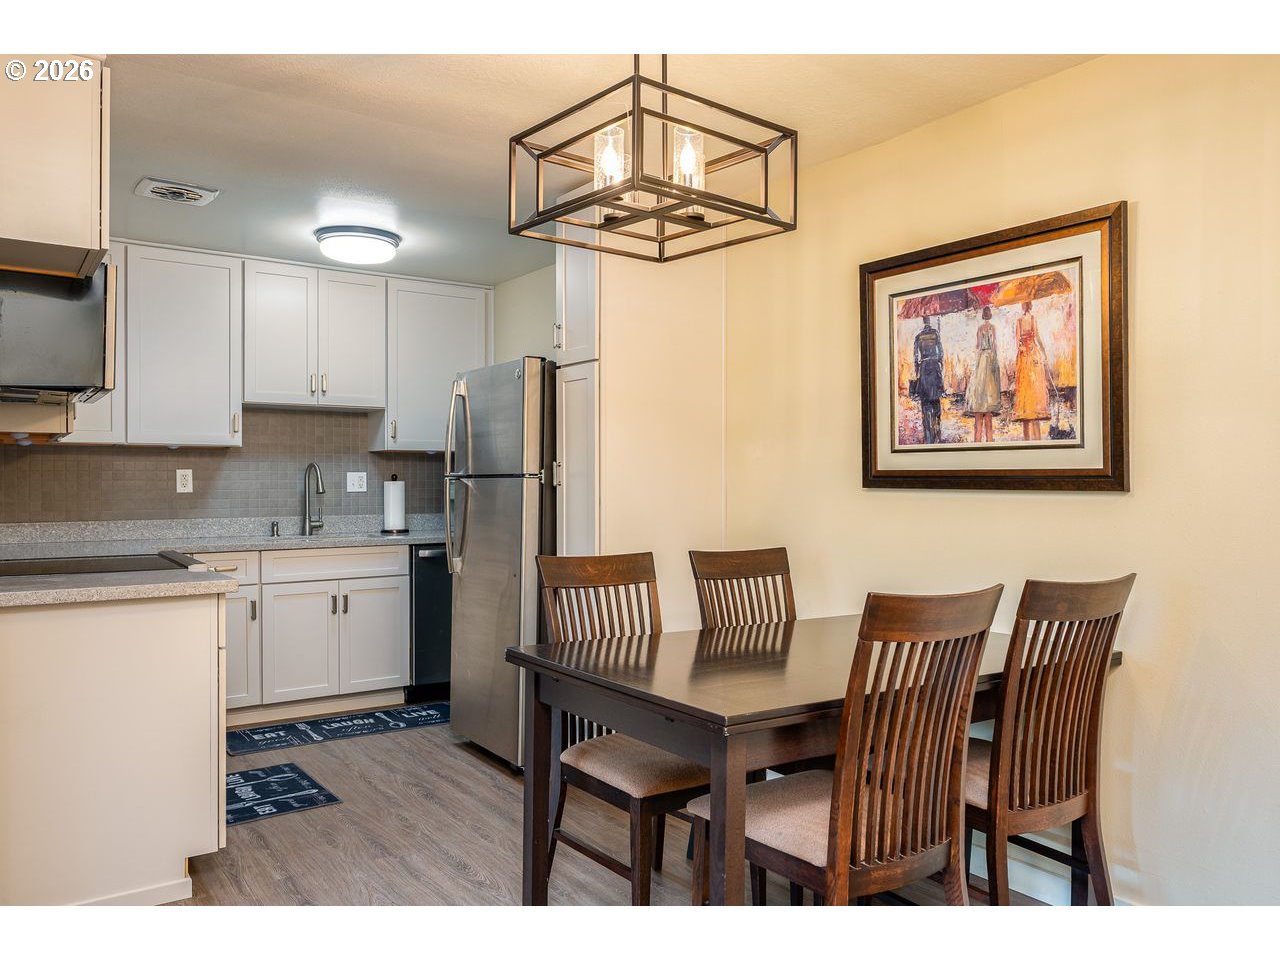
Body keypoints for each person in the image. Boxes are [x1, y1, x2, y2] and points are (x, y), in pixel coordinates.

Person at [1012, 300, 1051, 441]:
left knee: (1031, 385)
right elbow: (1020, 340)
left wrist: (1043, 352)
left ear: (1025, 306)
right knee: (1028, 385)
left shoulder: (1024, 320)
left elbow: (1020, 341)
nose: (1026, 307)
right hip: (1029, 354)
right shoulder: (1023, 320)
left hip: (1029, 354)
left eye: (1025, 305)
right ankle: (1029, 414)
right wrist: (1043, 352)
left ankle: (1031, 414)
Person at [965, 306, 1002, 442]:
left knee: (980, 385)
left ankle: (978, 438)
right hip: (990, 357)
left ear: (983, 315)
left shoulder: (980, 329)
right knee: (990, 386)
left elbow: (978, 345)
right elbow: (994, 345)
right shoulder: (992, 328)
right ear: (990, 315)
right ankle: (989, 438)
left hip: (981, 359)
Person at [913, 315, 945, 444]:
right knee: (936, 402)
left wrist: (917, 371)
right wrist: (940, 364)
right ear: (929, 322)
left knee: (925, 404)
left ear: (923, 322)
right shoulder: (935, 334)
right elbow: (941, 353)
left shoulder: (919, 336)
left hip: (924, 368)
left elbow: (915, 357)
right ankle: (937, 433)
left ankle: (928, 437)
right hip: (934, 368)